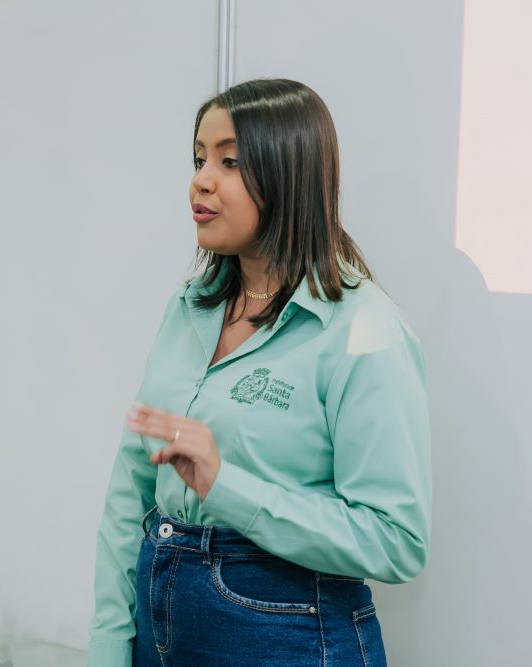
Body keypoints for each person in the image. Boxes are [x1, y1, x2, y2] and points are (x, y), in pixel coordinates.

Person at [86, 78, 431, 667]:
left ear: (288, 175)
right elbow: (130, 492)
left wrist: (227, 486)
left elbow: (396, 540)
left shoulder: (364, 329)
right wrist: (108, 645)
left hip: (287, 639)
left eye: (230, 161)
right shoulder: (189, 306)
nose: (201, 180)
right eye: (199, 158)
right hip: (157, 628)